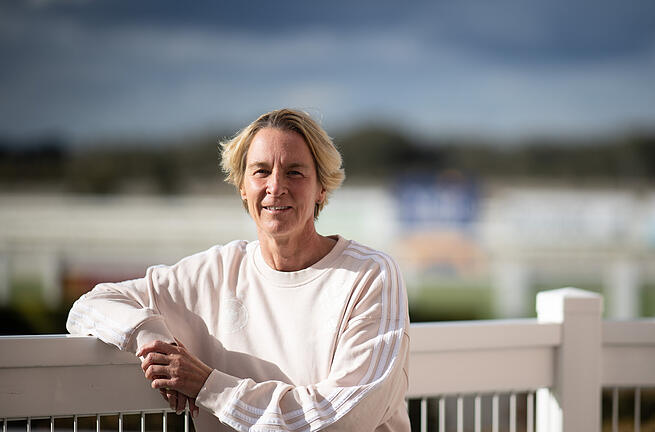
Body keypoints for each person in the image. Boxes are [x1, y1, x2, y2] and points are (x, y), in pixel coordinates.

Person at [66, 108, 411, 431]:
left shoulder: (371, 275)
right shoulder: (212, 273)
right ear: (243, 188)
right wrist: (148, 333)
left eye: (294, 171)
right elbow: (88, 307)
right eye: (261, 171)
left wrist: (207, 385)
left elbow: (341, 420)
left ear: (322, 188)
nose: (276, 186)